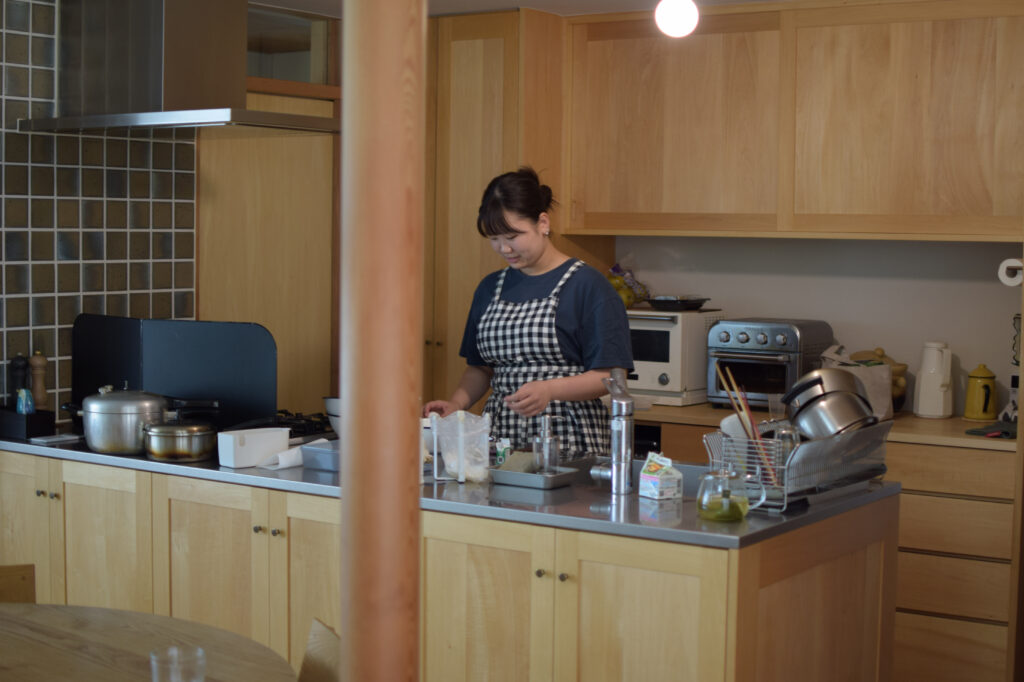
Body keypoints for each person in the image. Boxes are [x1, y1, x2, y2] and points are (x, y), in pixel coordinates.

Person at [423, 166, 633, 455]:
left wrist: (549, 390)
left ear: (542, 223)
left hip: (569, 436)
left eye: (512, 236)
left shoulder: (587, 285)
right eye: (494, 238)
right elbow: (481, 368)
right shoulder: (490, 288)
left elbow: (611, 376)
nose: (504, 248)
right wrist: (456, 405)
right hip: (501, 436)